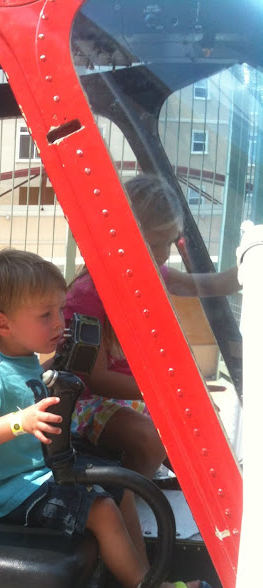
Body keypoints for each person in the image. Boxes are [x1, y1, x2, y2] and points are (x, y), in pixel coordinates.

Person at [0, 248, 211, 588]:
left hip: (33, 470)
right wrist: (21, 421)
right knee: (102, 510)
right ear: (3, 325)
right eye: (46, 315)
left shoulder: (24, 359)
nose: (60, 322)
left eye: (59, 310)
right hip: (4, 491)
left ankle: (144, 580)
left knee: (119, 485)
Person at [65, 174, 241, 478]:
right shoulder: (87, 294)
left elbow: (210, 284)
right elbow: (95, 381)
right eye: (156, 243)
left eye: (170, 243)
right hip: (86, 403)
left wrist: (248, 266)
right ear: (121, 235)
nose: (164, 255)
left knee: (202, 423)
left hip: (132, 398)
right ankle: (124, 497)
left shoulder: (152, 275)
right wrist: (166, 392)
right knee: (151, 440)